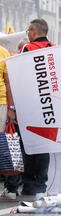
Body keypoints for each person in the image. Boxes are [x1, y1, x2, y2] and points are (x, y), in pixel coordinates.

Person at [18, 19, 54, 199]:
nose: (27, 33)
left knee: (28, 144)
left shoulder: (28, 49)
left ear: (33, 31)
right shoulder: (54, 48)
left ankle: (29, 184)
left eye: (28, 30)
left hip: (30, 103)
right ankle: (41, 183)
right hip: (49, 103)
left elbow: (21, 76)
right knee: (44, 144)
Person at [0, 45, 20, 200]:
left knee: (6, 143)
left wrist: (11, 108)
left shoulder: (3, 51)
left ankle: (11, 186)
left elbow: (8, 82)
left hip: (1, 103)